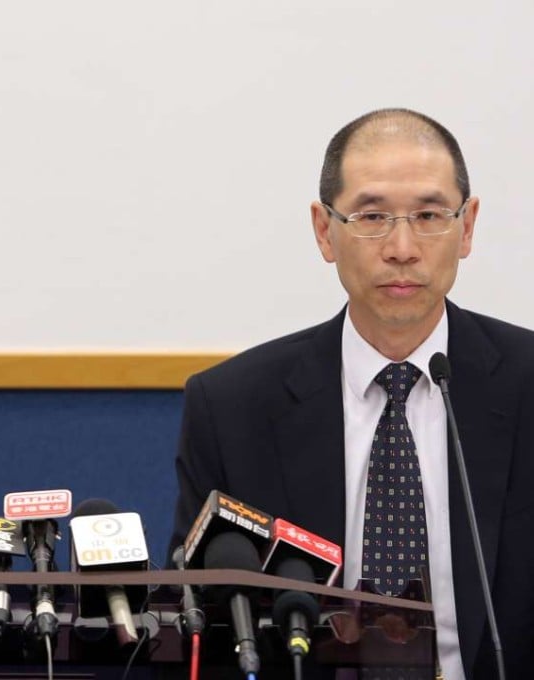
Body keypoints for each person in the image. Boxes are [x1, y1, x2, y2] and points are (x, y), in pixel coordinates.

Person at [169, 109, 534, 679]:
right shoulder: (233, 407)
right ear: (324, 230)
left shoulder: (526, 383)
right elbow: (201, 626)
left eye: (430, 215)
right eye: (372, 216)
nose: (402, 247)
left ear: (467, 228)